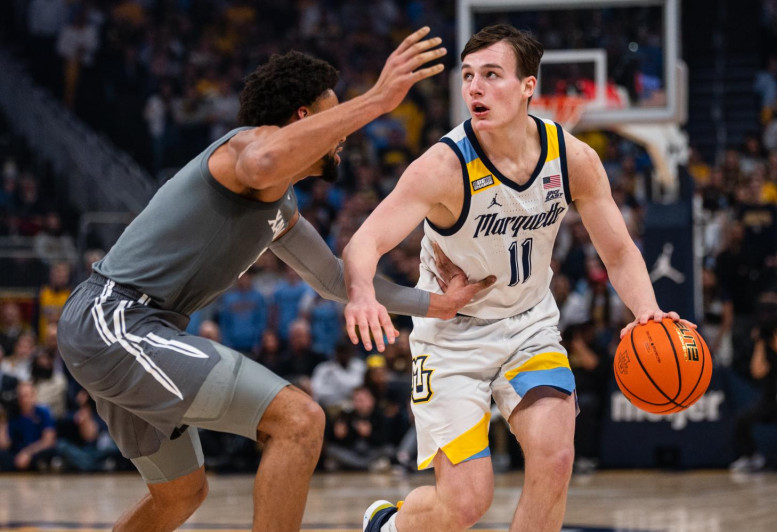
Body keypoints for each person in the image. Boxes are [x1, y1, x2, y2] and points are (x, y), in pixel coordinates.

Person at [57, 28, 491, 532]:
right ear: (305, 119)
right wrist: (375, 99)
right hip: (114, 320)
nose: (344, 136)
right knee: (300, 422)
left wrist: (436, 304)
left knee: (180, 494)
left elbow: (333, 277)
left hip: (135, 331)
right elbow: (263, 159)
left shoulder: (280, 203)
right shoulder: (246, 150)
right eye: (334, 117)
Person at [344, 24, 690, 532]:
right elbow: (364, 243)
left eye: (491, 75)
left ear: (529, 85)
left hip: (529, 325)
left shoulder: (571, 157)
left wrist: (646, 312)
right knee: (465, 504)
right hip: (451, 339)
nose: (475, 89)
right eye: (467, 77)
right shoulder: (442, 166)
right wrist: (360, 293)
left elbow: (618, 251)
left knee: (555, 459)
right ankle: (390, 526)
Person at [731, 302, 777, 472]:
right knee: (743, 418)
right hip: (771, 400)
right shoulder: (767, 346)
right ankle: (751, 456)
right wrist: (760, 343)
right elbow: (757, 372)